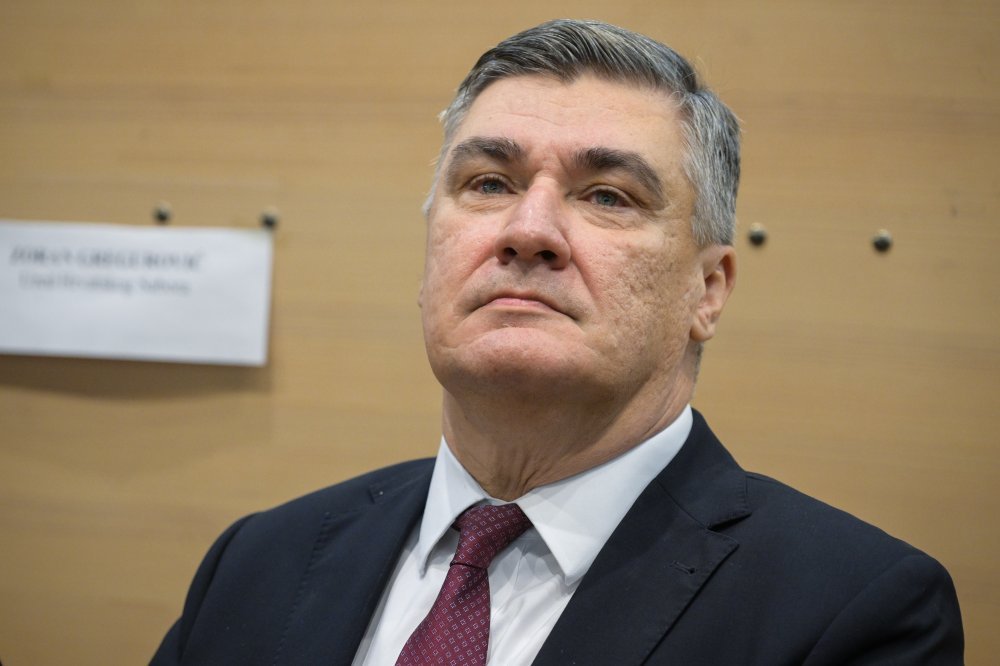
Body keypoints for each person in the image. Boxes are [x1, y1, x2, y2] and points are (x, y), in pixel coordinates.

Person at [151, 19, 963, 665]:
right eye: (489, 183)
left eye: (607, 195)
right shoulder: (258, 561)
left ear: (708, 290)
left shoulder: (854, 612)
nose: (528, 229)